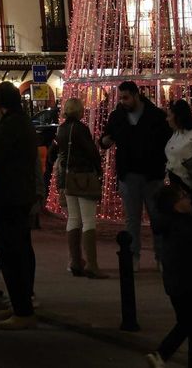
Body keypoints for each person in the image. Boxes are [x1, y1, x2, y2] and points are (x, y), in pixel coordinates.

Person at [0, 81, 40, 330]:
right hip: (20, 194)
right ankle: (22, 304)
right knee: (21, 250)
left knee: (11, 254)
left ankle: (23, 310)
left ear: (4, 105)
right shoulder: (22, 123)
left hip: (10, 196)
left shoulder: (11, 126)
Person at [98, 80, 170, 267]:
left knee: (157, 217)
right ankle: (133, 257)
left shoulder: (155, 115)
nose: (122, 101)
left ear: (136, 95)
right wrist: (105, 141)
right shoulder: (117, 116)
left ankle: (161, 257)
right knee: (132, 219)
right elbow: (106, 138)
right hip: (128, 174)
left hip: (152, 174)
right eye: (120, 97)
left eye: (126, 97)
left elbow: (166, 141)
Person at [148, 183, 192, 368]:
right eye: (184, 196)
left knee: (188, 322)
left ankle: (165, 355)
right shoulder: (183, 224)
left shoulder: (170, 223)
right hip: (189, 281)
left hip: (176, 282)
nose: (189, 198)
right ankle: (163, 354)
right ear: (176, 204)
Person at [54, 95, 104, 278]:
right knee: (89, 220)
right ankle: (92, 264)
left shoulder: (61, 129)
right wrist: (99, 170)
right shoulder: (80, 129)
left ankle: (75, 261)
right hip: (83, 176)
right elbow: (91, 152)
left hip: (68, 177)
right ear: (80, 110)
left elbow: (58, 153)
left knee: (73, 219)